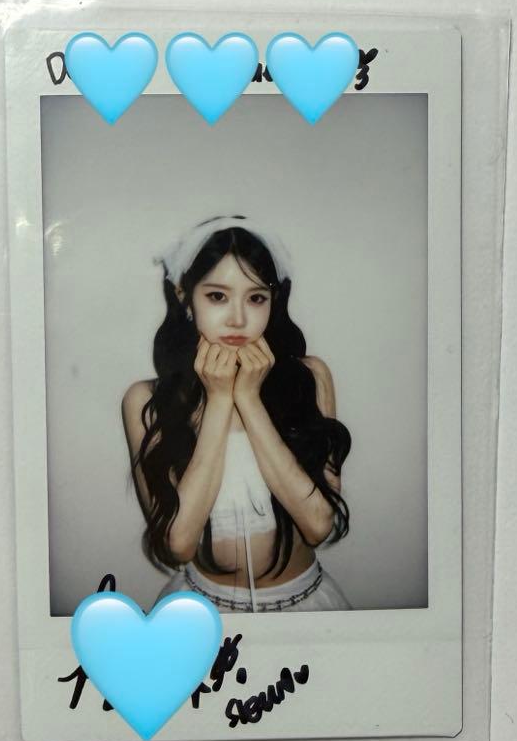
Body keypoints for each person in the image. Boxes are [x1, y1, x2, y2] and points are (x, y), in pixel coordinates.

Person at [121, 214, 353, 613]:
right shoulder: (145, 399)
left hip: (305, 602)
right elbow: (178, 544)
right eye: (217, 296)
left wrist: (248, 397)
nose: (238, 319)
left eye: (256, 298)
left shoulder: (311, 377)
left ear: (273, 301)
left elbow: (318, 526)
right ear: (184, 297)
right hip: (201, 610)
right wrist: (219, 399)